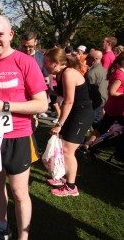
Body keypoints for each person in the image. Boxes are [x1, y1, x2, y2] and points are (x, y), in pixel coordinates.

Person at [0, 15, 48, 240]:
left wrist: (4, 105)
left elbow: (41, 103)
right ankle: (2, 226)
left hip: (19, 136)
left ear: (11, 35)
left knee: (19, 191)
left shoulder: (25, 61)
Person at [43, 47, 93, 197]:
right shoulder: (59, 74)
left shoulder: (69, 74)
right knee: (64, 147)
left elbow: (69, 101)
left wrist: (59, 124)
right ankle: (62, 178)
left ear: (56, 62)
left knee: (68, 151)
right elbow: (61, 94)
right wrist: (45, 90)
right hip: (74, 113)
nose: (44, 65)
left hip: (81, 114)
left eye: (47, 62)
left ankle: (71, 187)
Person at [83, 52, 124, 149]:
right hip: (116, 109)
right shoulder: (120, 75)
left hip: (115, 108)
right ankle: (88, 146)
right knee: (102, 128)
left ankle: (87, 146)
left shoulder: (120, 73)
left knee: (102, 128)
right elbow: (112, 92)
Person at [84, 50, 108, 129]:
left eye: (88, 57)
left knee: (88, 123)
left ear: (95, 59)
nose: (86, 59)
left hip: (94, 103)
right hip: (102, 101)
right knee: (97, 123)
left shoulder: (91, 73)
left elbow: (86, 91)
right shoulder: (105, 71)